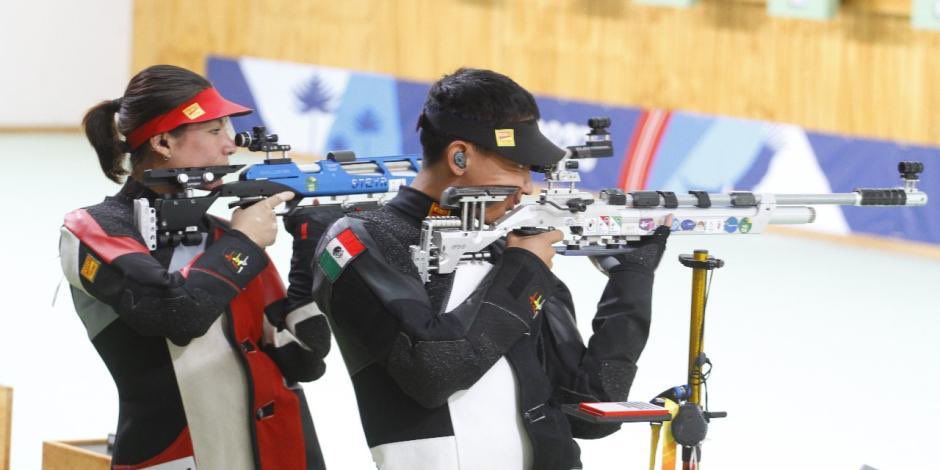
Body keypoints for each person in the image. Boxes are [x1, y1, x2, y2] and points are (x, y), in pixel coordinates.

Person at [311, 68, 672, 470]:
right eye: (516, 165)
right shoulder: (363, 238)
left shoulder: (510, 247)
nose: (527, 187)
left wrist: (632, 279)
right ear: (459, 156)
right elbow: (434, 373)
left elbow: (591, 408)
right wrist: (525, 268)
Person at [59, 65, 330, 470]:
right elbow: (176, 312)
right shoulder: (92, 228)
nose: (232, 143)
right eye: (214, 130)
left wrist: (310, 250)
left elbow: (304, 360)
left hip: (280, 452)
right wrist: (244, 244)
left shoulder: (229, 240)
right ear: (164, 141)